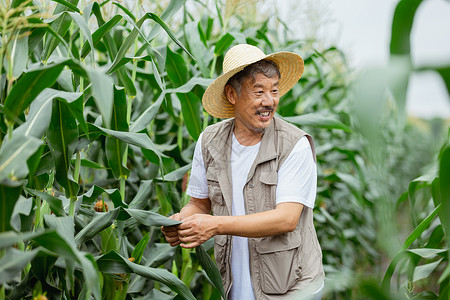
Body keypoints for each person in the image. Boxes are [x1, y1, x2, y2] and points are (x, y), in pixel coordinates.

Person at [162, 44, 324, 300]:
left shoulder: (295, 144)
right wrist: (183, 222)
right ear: (232, 94)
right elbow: (199, 204)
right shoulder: (209, 141)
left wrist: (214, 226)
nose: (269, 101)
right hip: (234, 285)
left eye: (274, 91)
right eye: (259, 91)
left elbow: (286, 219)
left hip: (290, 288)